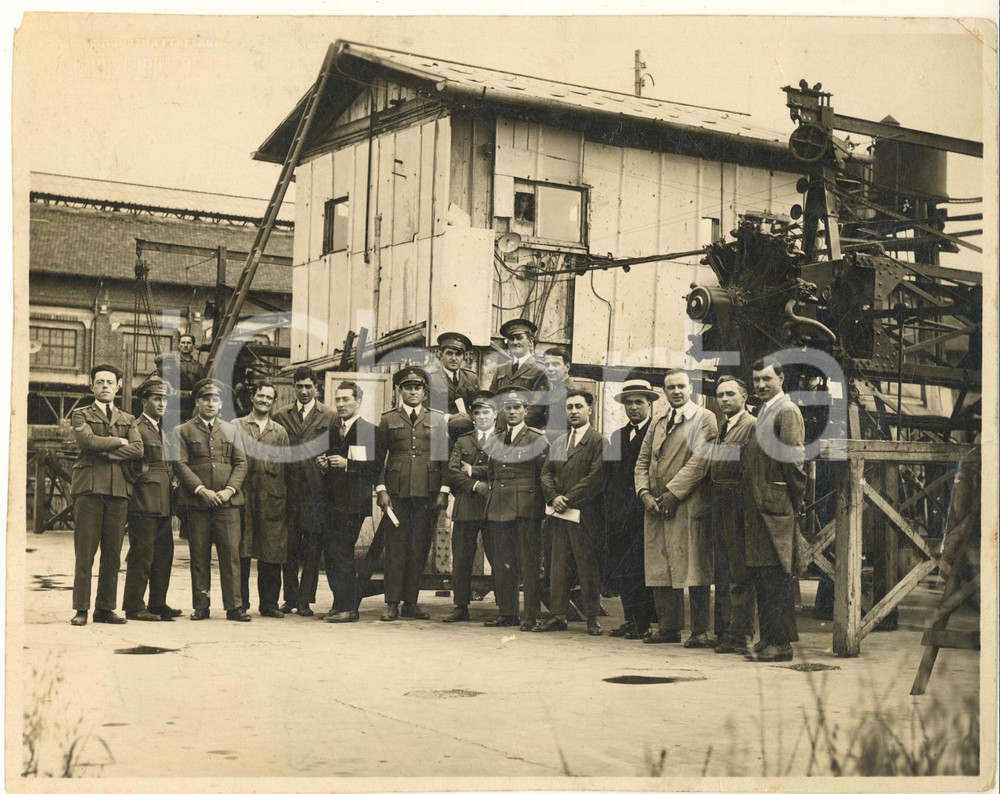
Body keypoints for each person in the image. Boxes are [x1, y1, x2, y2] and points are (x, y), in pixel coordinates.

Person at [634, 368, 718, 646]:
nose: (676, 391)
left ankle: (700, 631)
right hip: (656, 506)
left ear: (690, 388)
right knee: (660, 565)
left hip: (688, 504)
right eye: (671, 388)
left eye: (681, 386)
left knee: (694, 566)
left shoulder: (704, 418)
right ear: (665, 392)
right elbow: (643, 461)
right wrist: (645, 492)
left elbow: (700, 462)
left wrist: (673, 493)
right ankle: (668, 628)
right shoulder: (658, 422)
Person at [742, 358, 807, 663]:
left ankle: (780, 644)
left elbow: (794, 462)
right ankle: (768, 638)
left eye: (766, 379)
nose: (760, 385)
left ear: (781, 378)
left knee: (776, 576)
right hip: (761, 506)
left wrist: (792, 500)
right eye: (756, 380)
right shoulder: (764, 410)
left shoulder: (787, 411)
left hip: (776, 507)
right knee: (763, 574)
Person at [68, 364, 144, 626]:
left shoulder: (128, 418)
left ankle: (105, 609)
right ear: (92, 386)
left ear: (118, 386)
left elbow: (137, 449)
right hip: (89, 488)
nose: (104, 386)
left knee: (112, 553)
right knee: (85, 552)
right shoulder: (80, 414)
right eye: (99, 382)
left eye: (109, 382)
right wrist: (119, 442)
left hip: (118, 490)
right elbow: (87, 443)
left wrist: (107, 451)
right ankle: (81, 608)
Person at [375, 366, 451, 621]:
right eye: (408, 387)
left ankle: (411, 602)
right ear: (400, 390)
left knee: (419, 548)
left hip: (427, 492)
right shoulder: (388, 419)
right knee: (395, 548)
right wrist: (381, 489)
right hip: (396, 492)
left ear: (424, 392)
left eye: (417, 388)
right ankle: (392, 603)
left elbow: (444, 459)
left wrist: (443, 491)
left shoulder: (438, 419)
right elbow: (378, 459)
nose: (413, 392)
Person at [172, 378, 250, 622]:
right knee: (199, 555)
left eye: (214, 399)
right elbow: (180, 464)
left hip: (228, 503)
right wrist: (201, 490)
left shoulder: (232, 430)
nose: (210, 403)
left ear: (220, 404)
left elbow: (241, 463)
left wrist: (229, 491)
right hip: (197, 503)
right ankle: (201, 605)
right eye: (205, 399)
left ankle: (234, 607)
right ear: (197, 402)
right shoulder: (182, 430)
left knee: (231, 556)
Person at [536, 390, 609, 636]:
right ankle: (558, 615)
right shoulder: (559, 442)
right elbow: (546, 472)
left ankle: (591, 617)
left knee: (587, 566)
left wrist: (568, 498)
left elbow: (596, 477)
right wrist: (554, 497)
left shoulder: (598, 441)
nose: (574, 411)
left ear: (590, 409)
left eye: (579, 406)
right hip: (559, 515)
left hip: (585, 515)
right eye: (570, 407)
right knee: (558, 565)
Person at [316, 381, 384, 623]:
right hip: (330, 503)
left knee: (342, 553)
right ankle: (338, 604)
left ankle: (349, 608)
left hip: (353, 504)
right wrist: (324, 465)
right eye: (338, 400)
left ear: (359, 402)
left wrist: (348, 465)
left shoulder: (370, 431)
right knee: (332, 555)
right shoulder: (333, 430)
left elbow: (375, 467)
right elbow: (326, 460)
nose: (341, 404)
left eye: (346, 399)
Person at [483, 386, 548, 631]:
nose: (512, 412)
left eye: (517, 408)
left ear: (525, 411)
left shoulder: (535, 438)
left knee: (528, 563)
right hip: (499, 507)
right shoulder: (495, 438)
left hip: (526, 507)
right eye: (508, 408)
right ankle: (507, 613)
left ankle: (530, 615)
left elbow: (543, 474)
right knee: (502, 562)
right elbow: (492, 473)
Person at [272, 367, 336, 616]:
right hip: (287, 490)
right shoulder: (280, 416)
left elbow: (336, 449)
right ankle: (289, 598)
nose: (304, 391)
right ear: (294, 387)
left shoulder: (329, 416)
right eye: (299, 386)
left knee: (312, 548)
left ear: (317, 387)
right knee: (288, 547)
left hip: (317, 492)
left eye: (309, 386)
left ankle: (305, 600)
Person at [121, 376, 182, 622]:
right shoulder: (136, 427)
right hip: (144, 501)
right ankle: (134, 606)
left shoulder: (160, 428)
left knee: (164, 553)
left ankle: (158, 603)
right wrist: (140, 480)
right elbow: (128, 464)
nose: (161, 404)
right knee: (142, 555)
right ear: (144, 400)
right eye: (157, 399)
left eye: (164, 400)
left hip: (164, 501)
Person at [604, 379, 658, 640]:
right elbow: (611, 476)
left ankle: (644, 622)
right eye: (629, 403)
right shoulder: (618, 436)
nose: (633, 407)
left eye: (639, 402)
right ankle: (630, 619)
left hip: (644, 511)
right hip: (619, 514)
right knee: (623, 567)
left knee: (641, 568)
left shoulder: (656, 434)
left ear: (650, 404)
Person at [708, 376, 757, 654]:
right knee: (723, 570)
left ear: (744, 397)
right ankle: (727, 630)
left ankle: (740, 634)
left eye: (730, 394)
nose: (724, 399)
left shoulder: (750, 426)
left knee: (740, 571)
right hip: (719, 503)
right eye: (720, 395)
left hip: (738, 504)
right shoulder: (723, 427)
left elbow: (751, 471)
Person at [234, 382, 290, 619]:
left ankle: (269, 604)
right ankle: (240, 603)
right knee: (241, 551)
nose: (264, 400)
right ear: (252, 397)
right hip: (244, 496)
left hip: (271, 499)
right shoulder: (237, 426)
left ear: (273, 402)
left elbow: (286, 468)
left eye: (269, 397)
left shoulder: (279, 432)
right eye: (260, 396)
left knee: (271, 552)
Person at [443, 390, 497, 623]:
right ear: (473, 417)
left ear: (495, 414)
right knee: (462, 558)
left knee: (499, 555)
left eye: (487, 412)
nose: (482, 417)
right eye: (478, 413)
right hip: (467, 504)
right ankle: (460, 605)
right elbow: (453, 472)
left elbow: (503, 470)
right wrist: (475, 485)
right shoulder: (463, 440)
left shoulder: (505, 439)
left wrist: (473, 469)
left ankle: (506, 605)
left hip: (496, 506)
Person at [488, 319, 549, 430]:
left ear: (530, 341)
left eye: (519, 338)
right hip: (499, 430)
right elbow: (492, 400)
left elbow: (536, 408)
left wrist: (513, 426)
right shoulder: (500, 369)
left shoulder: (540, 370)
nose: (515, 342)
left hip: (526, 431)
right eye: (511, 338)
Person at [426, 331, 480, 441]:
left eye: (458, 354)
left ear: (464, 357)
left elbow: (479, 405)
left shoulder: (471, 378)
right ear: (441, 355)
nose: (454, 358)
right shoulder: (430, 379)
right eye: (449, 353)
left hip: (467, 433)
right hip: (439, 432)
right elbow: (424, 411)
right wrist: (450, 417)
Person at [155, 333, 205, 421]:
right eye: (183, 343)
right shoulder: (171, 363)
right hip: (173, 403)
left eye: (188, 343)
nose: (185, 345)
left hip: (191, 404)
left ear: (193, 346)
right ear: (179, 345)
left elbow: (202, 384)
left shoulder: (198, 366)